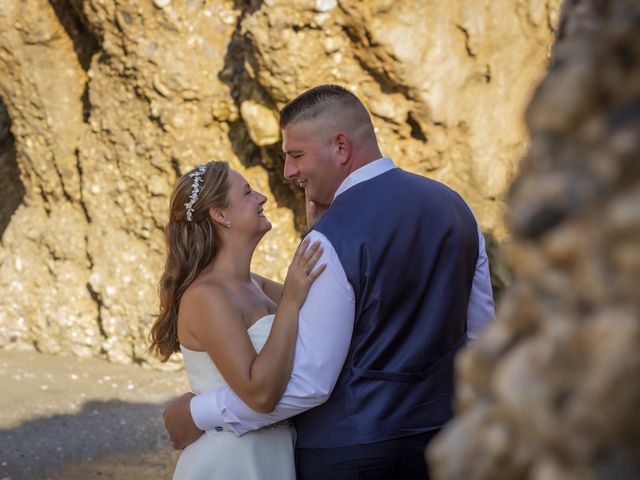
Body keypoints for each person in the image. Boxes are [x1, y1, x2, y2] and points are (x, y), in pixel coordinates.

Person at [163, 85, 495, 479]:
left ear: (340, 147)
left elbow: (309, 384)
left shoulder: (331, 239)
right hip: (442, 443)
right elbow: (481, 340)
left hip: (347, 451)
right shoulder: (457, 208)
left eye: (296, 155)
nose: (288, 172)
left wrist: (197, 413)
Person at [148, 161, 325, 479]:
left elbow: (320, 313)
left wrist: (321, 230)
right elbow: (259, 393)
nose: (262, 198)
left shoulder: (255, 284)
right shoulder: (206, 296)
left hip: (274, 452)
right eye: (247, 192)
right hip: (231, 461)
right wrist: (291, 301)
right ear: (220, 214)